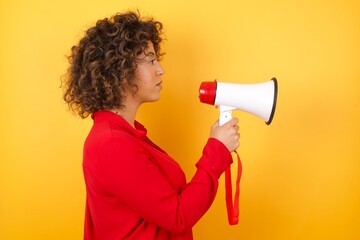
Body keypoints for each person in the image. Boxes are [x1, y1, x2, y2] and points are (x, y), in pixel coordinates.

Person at [62, 11, 240, 240]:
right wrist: (217, 150)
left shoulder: (122, 135)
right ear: (120, 71)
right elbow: (178, 216)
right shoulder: (112, 144)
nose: (160, 69)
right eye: (150, 60)